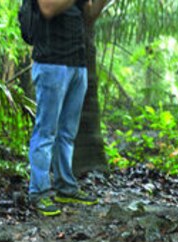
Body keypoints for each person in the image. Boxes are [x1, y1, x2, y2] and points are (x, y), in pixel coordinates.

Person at [27, 0, 104, 216]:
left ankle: (65, 187)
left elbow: (88, 15)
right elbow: (47, 8)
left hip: (77, 63)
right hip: (51, 63)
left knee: (67, 133)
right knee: (46, 132)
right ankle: (39, 192)